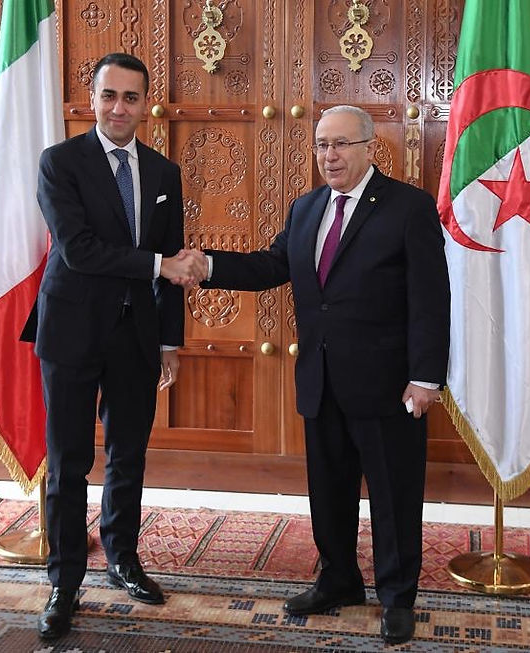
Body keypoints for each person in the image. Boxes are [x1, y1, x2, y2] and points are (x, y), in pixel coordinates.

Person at [190, 105, 450, 645]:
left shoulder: (409, 208)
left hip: (388, 386)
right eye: (321, 145)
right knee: (328, 493)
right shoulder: (306, 208)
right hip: (322, 379)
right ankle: (339, 580)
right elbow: (271, 265)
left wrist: (426, 378)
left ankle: (397, 597)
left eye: (340, 144)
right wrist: (209, 266)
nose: (329, 156)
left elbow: (430, 299)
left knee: (394, 497)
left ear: (369, 148)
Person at [24, 52, 207, 640]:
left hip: (137, 336)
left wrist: (170, 341)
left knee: (129, 455)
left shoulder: (163, 172)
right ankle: (64, 582)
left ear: (145, 104)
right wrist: (158, 264)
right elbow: (78, 250)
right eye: (109, 95)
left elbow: (175, 261)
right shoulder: (60, 163)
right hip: (71, 332)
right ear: (92, 99)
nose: (119, 108)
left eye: (131, 97)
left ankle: (123, 560)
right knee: (69, 461)